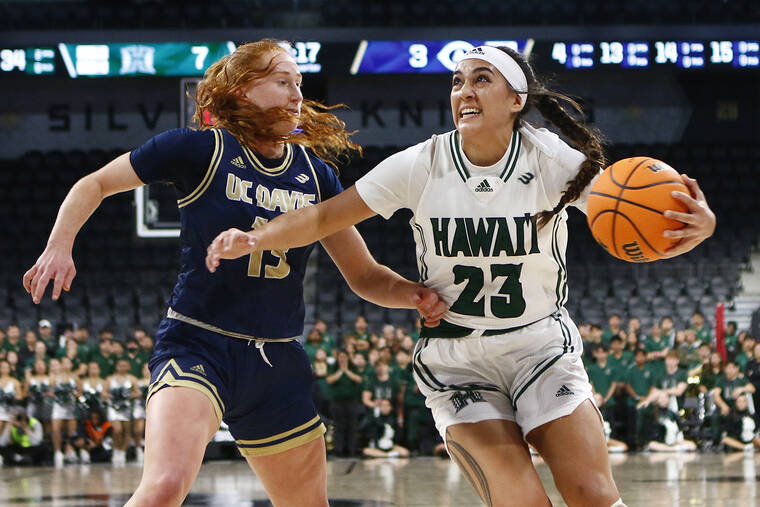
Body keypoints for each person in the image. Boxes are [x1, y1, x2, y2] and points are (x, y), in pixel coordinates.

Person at [206, 45, 716, 506]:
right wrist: (259, 237)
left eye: (482, 79)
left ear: (516, 100)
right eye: (457, 82)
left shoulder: (553, 160)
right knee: (521, 501)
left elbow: (631, 211)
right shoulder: (421, 164)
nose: (464, 90)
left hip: (540, 350)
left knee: (592, 492)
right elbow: (322, 217)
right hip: (458, 364)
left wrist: (698, 225)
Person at [23, 39, 445, 506]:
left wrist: (413, 294)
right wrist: (59, 245)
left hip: (278, 360)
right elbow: (95, 183)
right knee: (163, 488)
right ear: (243, 90)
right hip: (199, 344)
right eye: (283, 82)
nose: (297, 94)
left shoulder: (315, 174)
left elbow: (364, 275)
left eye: (299, 84)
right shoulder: (199, 148)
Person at [105, 357, 139, 465]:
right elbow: (104, 393)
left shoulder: (132, 379)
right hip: (114, 407)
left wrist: (128, 395)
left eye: (124, 365)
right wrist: (112, 396)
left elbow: (137, 392)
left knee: (126, 431)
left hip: (126, 407)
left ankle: (123, 451)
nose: (122, 368)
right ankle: (115, 449)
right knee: (117, 429)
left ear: (128, 367)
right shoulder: (110, 379)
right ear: (116, 366)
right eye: (120, 365)